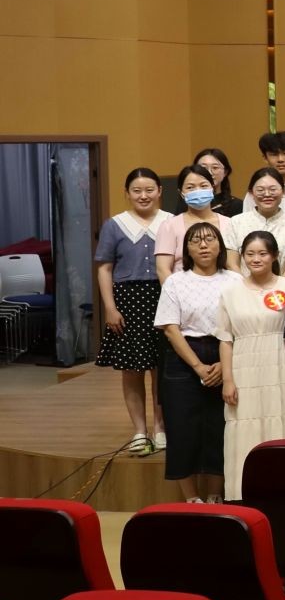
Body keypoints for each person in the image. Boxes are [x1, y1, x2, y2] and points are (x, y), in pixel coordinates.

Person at [154, 221, 237, 502]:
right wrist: (198, 367)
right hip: (183, 356)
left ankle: (215, 493)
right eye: (195, 241)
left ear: (220, 246)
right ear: (186, 249)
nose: (203, 245)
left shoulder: (235, 281)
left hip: (225, 352)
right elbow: (170, 328)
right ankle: (191, 497)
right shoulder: (176, 281)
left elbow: (239, 326)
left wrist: (224, 365)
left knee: (220, 426)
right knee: (181, 427)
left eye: (210, 239)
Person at [217, 230, 285, 499]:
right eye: (250, 254)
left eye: (263, 253)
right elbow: (225, 339)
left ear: (275, 256)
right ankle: (244, 494)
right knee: (244, 427)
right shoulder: (230, 292)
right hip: (244, 368)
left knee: (284, 425)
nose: (256, 259)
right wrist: (228, 379)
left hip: (282, 364)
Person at [95, 167, 168, 453]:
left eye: (149, 189)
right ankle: (139, 430)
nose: (143, 195)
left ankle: (161, 428)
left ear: (160, 191)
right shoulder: (114, 225)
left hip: (164, 298)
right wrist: (110, 308)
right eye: (136, 190)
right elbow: (104, 268)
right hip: (128, 302)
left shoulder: (171, 221)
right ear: (127, 193)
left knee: (162, 368)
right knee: (132, 370)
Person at [157, 164, 231, 279]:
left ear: (212, 188)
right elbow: (163, 269)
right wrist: (173, 289)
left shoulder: (229, 223)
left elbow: (233, 264)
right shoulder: (169, 225)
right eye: (190, 187)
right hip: (182, 288)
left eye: (203, 186)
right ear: (181, 193)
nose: (198, 191)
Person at [227, 168, 285, 271]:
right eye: (260, 190)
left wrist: (282, 281)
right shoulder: (235, 222)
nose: (267, 194)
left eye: (273, 189)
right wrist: (245, 281)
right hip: (242, 280)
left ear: (284, 192)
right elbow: (231, 263)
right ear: (251, 193)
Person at [190, 148, 243, 219]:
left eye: (215, 168)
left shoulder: (237, 205)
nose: (209, 172)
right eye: (203, 168)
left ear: (225, 172)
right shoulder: (188, 201)